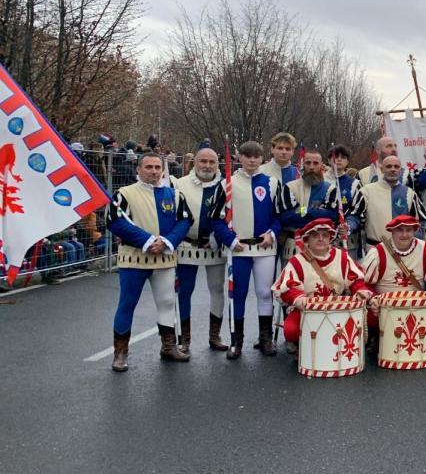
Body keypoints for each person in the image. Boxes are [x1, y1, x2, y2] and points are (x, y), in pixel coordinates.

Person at [107, 152, 193, 372]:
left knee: (166, 303)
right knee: (127, 304)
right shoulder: (123, 194)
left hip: (164, 258)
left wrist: (166, 241)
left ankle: (168, 347)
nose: (154, 171)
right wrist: (146, 240)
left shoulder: (174, 195)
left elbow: (185, 221)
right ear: (139, 169)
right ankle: (120, 353)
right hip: (134, 258)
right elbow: (115, 222)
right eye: (149, 167)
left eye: (157, 167)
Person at [210, 140, 294, 359]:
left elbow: (280, 217)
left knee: (265, 293)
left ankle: (265, 339)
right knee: (237, 294)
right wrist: (229, 239)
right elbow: (216, 220)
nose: (252, 161)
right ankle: (236, 341)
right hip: (238, 249)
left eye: (256, 157)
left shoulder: (272, 183)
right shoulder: (226, 184)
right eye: (248, 156)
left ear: (262, 159)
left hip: (265, 247)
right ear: (240, 158)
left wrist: (272, 234)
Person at [272, 218, 372, 355]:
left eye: (324, 235)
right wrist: (299, 299)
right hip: (307, 311)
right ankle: (303, 348)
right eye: (315, 235)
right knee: (290, 330)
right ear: (307, 239)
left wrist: (360, 290)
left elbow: (355, 279)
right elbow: (287, 288)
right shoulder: (297, 261)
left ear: (330, 238)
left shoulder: (342, 257)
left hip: (337, 309)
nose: (320, 239)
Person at [171, 147, 229, 353]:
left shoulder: (225, 186)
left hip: (215, 246)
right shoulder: (179, 184)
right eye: (203, 161)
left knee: (217, 289)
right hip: (187, 245)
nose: (207, 166)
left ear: (218, 164)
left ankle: (215, 336)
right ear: (194, 162)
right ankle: (184, 338)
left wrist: (218, 236)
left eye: (212, 162)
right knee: (184, 291)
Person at [361, 215, 426, 337]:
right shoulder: (378, 252)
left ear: (414, 231)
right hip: (384, 308)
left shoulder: (425, 249)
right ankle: (376, 338)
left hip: (416, 307)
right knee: (370, 314)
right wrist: (373, 299)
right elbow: (365, 283)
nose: (405, 235)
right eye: (400, 230)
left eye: (409, 230)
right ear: (392, 231)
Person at [344, 155, 426, 249]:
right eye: (388, 166)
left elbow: (420, 221)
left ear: (400, 170)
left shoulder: (410, 194)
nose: (392, 169)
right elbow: (355, 216)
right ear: (382, 169)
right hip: (375, 249)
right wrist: (348, 226)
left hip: (403, 251)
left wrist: (412, 240)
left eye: (396, 166)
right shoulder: (366, 191)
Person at [280, 149, 340, 260]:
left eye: (315, 163)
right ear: (303, 164)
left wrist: (301, 210)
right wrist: (313, 211)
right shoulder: (290, 187)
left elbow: (331, 216)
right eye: (308, 163)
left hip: (321, 246)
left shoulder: (330, 189)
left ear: (321, 165)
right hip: (294, 246)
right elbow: (286, 218)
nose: (311, 167)